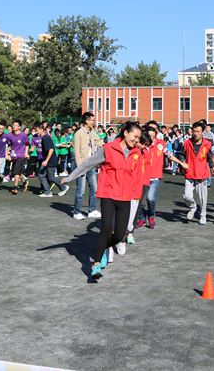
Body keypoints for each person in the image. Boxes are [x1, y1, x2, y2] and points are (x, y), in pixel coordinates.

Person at [63, 121, 144, 280]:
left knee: (119, 235)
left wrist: (136, 195)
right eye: (134, 136)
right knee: (106, 228)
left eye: (138, 138)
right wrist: (71, 177)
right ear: (125, 133)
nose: (136, 140)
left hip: (125, 197)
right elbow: (88, 163)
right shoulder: (108, 149)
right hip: (108, 194)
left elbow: (137, 175)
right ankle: (96, 264)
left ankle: (101, 249)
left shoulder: (136, 153)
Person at [179, 121, 214, 224]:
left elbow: (210, 156)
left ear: (203, 132)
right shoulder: (187, 143)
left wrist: (212, 167)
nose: (196, 134)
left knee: (202, 198)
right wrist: (182, 162)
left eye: (198, 131)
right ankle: (193, 207)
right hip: (190, 173)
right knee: (187, 196)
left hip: (202, 174)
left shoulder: (207, 143)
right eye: (194, 131)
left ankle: (203, 216)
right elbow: (181, 154)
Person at [72, 112, 102, 220]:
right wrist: (80, 167)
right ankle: (76, 212)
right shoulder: (78, 134)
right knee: (81, 190)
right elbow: (76, 152)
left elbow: (98, 141)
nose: (93, 122)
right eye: (92, 120)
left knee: (94, 188)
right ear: (86, 120)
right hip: (82, 165)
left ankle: (92, 210)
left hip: (91, 164)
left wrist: (106, 145)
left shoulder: (92, 132)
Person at [35, 123, 69, 197]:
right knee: (42, 175)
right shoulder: (44, 137)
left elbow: (51, 150)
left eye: (37, 130)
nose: (36, 132)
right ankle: (48, 191)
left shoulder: (45, 138)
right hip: (48, 160)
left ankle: (63, 187)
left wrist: (46, 160)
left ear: (41, 129)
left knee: (50, 177)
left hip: (50, 161)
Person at [5, 120, 30, 195]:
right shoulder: (10, 135)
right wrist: (8, 154)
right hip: (13, 156)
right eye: (13, 125)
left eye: (16, 125)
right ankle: (25, 182)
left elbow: (27, 144)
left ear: (19, 127)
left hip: (21, 156)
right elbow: (9, 145)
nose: (14, 126)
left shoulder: (23, 135)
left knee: (16, 172)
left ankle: (15, 187)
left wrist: (26, 153)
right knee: (17, 172)